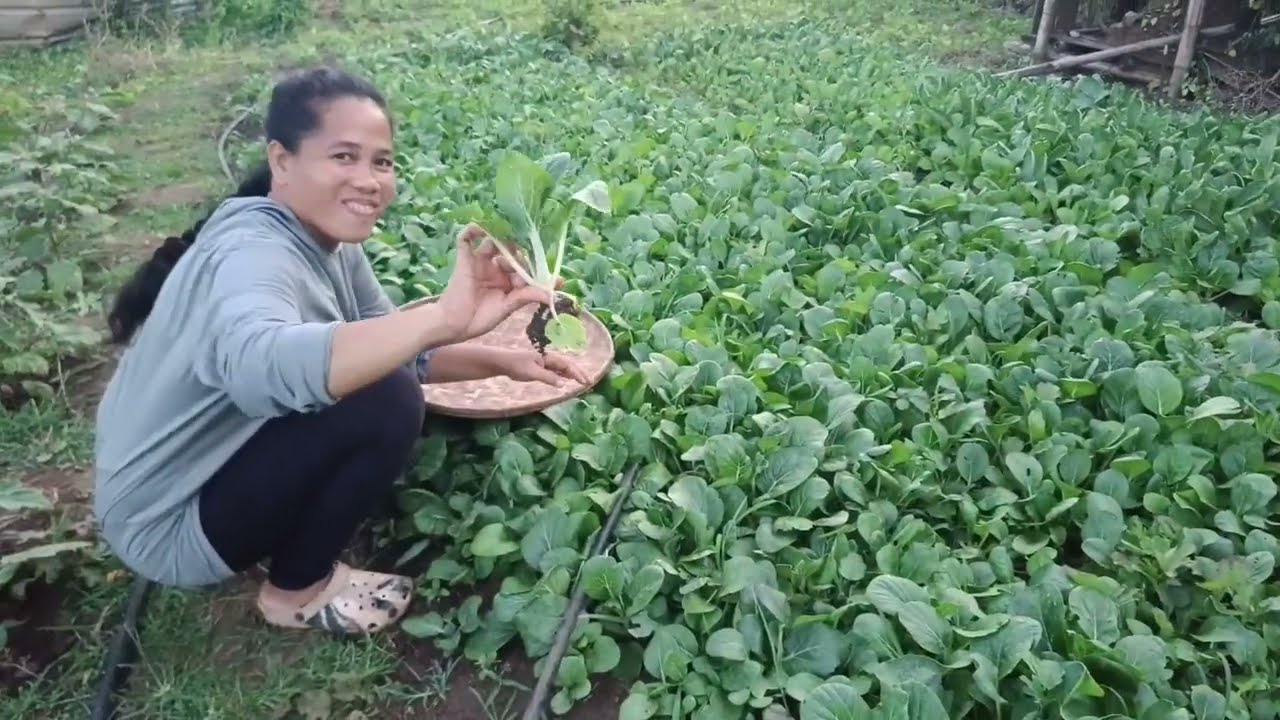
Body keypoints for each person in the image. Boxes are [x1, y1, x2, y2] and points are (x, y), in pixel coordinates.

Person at [92, 65, 589, 636]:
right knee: (390, 402)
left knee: (384, 383)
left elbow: (390, 347)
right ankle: (295, 592)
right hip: (166, 523)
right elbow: (261, 368)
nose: (370, 179)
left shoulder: (325, 239)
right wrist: (441, 317)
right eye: (343, 157)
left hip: (188, 475)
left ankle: (278, 532)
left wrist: (503, 362)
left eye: (382, 161)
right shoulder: (250, 254)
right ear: (282, 161)